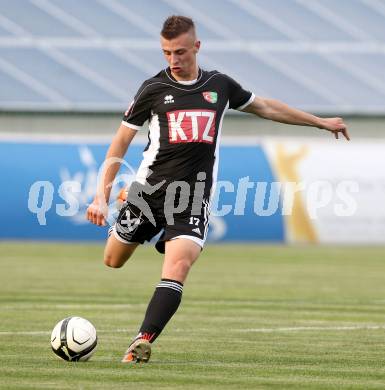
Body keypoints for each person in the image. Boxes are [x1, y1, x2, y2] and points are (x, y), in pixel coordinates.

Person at [86, 15, 350, 363]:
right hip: (146, 194)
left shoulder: (219, 86)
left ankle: (141, 341)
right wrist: (101, 194)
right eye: (166, 53)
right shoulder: (153, 89)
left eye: (180, 51)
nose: (173, 60)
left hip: (193, 198)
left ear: (196, 46)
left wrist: (320, 122)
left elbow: (267, 107)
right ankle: (131, 201)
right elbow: (121, 141)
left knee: (179, 265)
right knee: (112, 260)